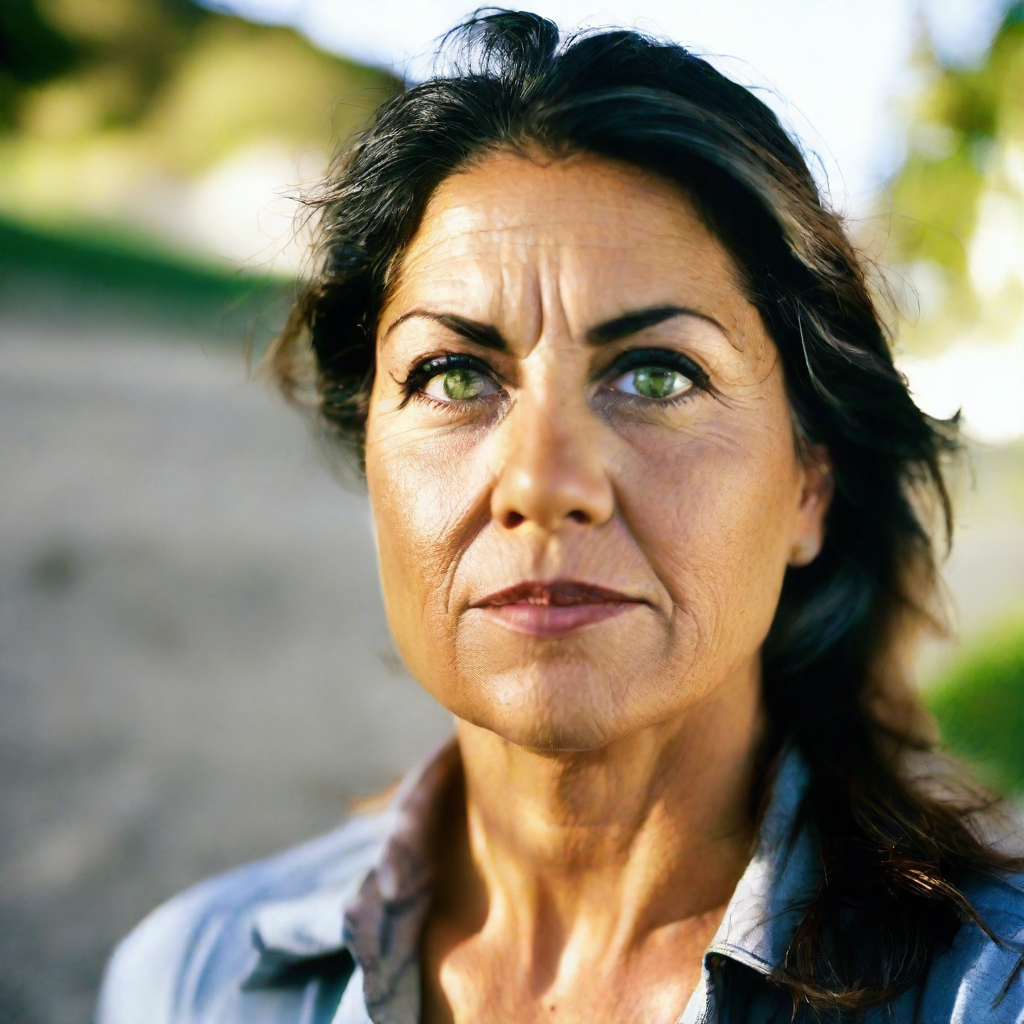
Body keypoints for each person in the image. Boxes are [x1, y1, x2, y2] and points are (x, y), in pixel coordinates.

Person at [97, 11, 1024, 1024]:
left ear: (810, 483)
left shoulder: (990, 989)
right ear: (369, 457)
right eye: (453, 375)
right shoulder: (187, 982)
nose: (541, 480)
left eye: (657, 373)